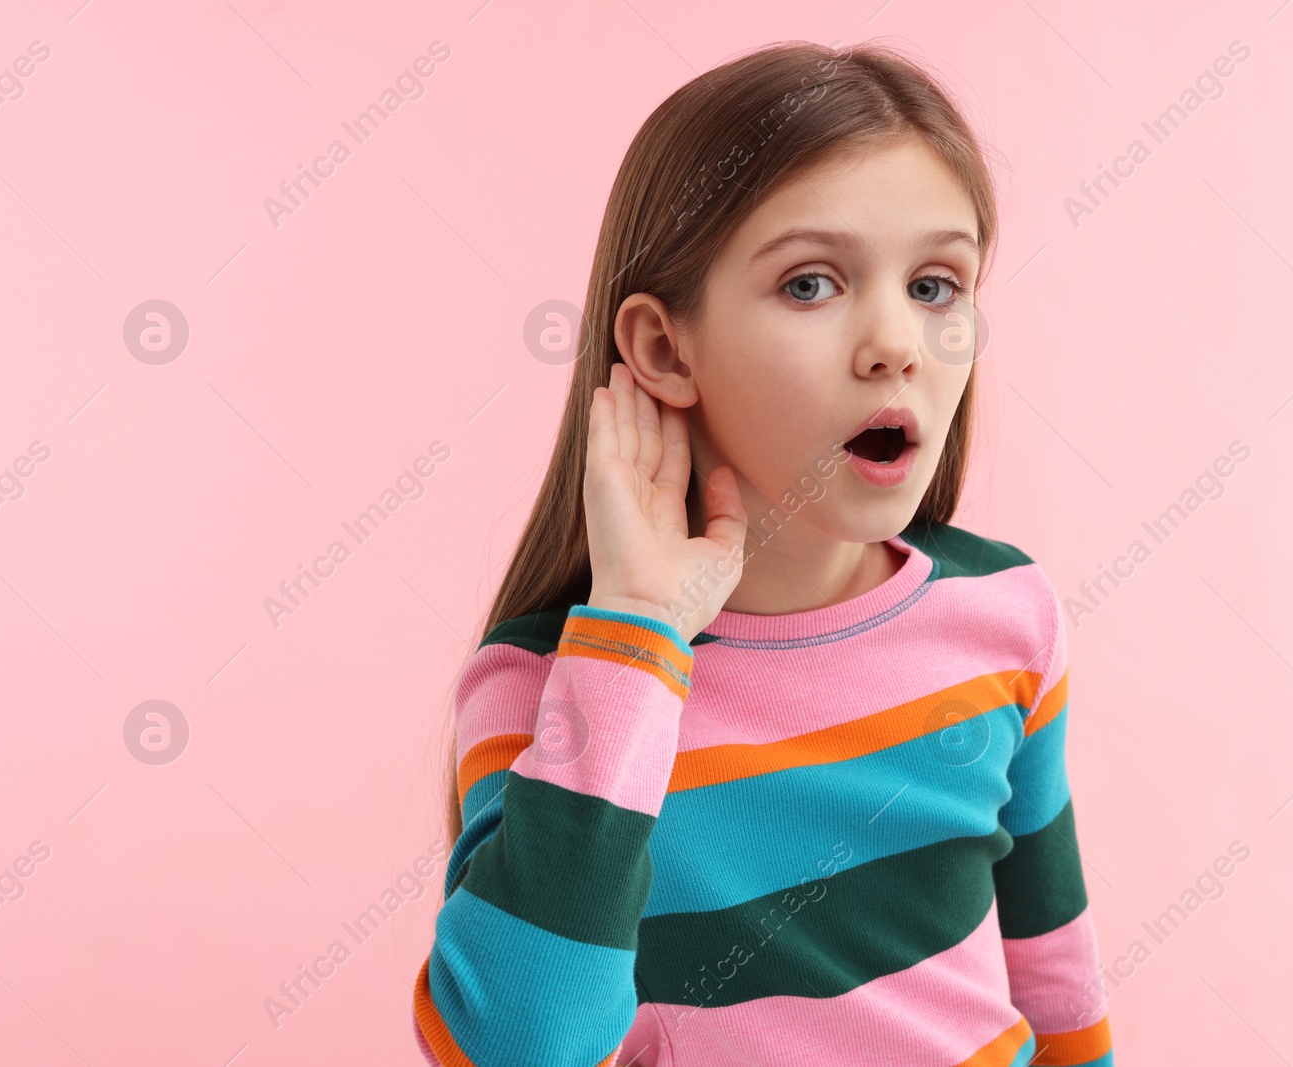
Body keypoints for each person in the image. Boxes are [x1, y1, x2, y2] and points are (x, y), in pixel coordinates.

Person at [412, 38, 1114, 1067]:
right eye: (810, 284)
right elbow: (518, 1045)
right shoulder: (550, 685)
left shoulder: (1007, 613)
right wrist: (635, 643)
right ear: (663, 348)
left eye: (934, 285)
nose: (896, 343)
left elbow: (1054, 967)